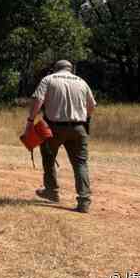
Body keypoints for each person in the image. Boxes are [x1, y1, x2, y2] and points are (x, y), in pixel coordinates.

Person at [27, 60, 96, 213]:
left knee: (48, 156)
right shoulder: (82, 82)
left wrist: (31, 120)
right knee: (80, 163)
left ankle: (51, 190)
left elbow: (38, 100)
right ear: (71, 69)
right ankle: (84, 200)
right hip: (79, 128)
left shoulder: (49, 79)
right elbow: (91, 106)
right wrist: (85, 119)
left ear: (55, 69)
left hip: (54, 127)